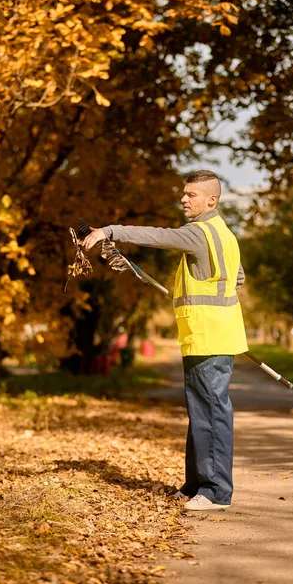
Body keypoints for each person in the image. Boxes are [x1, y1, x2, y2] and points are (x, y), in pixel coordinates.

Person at [83, 170, 248, 510]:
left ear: (211, 200)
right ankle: (196, 485)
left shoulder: (200, 233)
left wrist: (109, 231)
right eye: (183, 194)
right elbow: (238, 278)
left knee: (212, 412)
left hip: (208, 337)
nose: (183, 199)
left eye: (191, 194)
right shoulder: (226, 235)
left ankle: (217, 493)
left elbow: (157, 236)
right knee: (201, 412)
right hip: (209, 335)